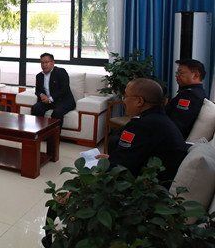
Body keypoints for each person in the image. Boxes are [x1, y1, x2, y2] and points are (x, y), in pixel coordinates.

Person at [42, 78, 188, 248]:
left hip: (140, 195)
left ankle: (51, 242)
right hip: (150, 186)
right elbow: (133, 158)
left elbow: (118, 170)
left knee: (57, 204)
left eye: (126, 97)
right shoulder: (159, 120)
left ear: (139, 101)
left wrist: (81, 189)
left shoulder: (142, 126)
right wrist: (111, 158)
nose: (124, 101)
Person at [165, 58, 207, 139]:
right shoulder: (192, 93)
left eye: (180, 73)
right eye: (177, 73)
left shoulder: (191, 96)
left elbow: (177, 125)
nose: (176, 75)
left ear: (196, 75)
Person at [31, 53, 75, 125]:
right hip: (48, 101)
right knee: (36, 108)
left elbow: (64, 90)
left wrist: (50, 99)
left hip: (63, 101)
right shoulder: (39, 76)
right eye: (42, 63)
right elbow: (37, 91)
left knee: (57, 113)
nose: (44, 65)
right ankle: (40, 130)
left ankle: (55, 132)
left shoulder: (61, 72)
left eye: (46, 62)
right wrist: (42, 95)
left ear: (53, 62)